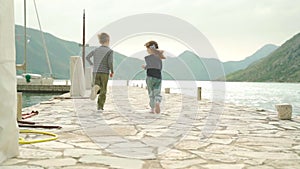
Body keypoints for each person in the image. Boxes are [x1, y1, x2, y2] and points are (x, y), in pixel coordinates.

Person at [86, 32, 114, 111]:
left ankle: (95, 87)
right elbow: (110, 62)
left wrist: (92, 64)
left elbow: (87, 57)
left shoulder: (96, 50)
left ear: (100, 41)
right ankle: (100, 107)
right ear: (108, 40)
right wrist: (112, 71)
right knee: (103, 90)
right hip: (104, 73)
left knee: (96, 85)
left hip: (95, 71)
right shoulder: (109, 51)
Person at [142, 41, 166, 114]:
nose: (147, 50)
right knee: (157, 92)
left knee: (151, 93)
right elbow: (160, 67)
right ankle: (157, 102)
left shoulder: (148, 58)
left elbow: (149, 66)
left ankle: (152, 109)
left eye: (147, 48)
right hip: (158, 77)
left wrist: (144, 67)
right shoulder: (159, 57)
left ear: (150, 49)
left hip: (150, 77)